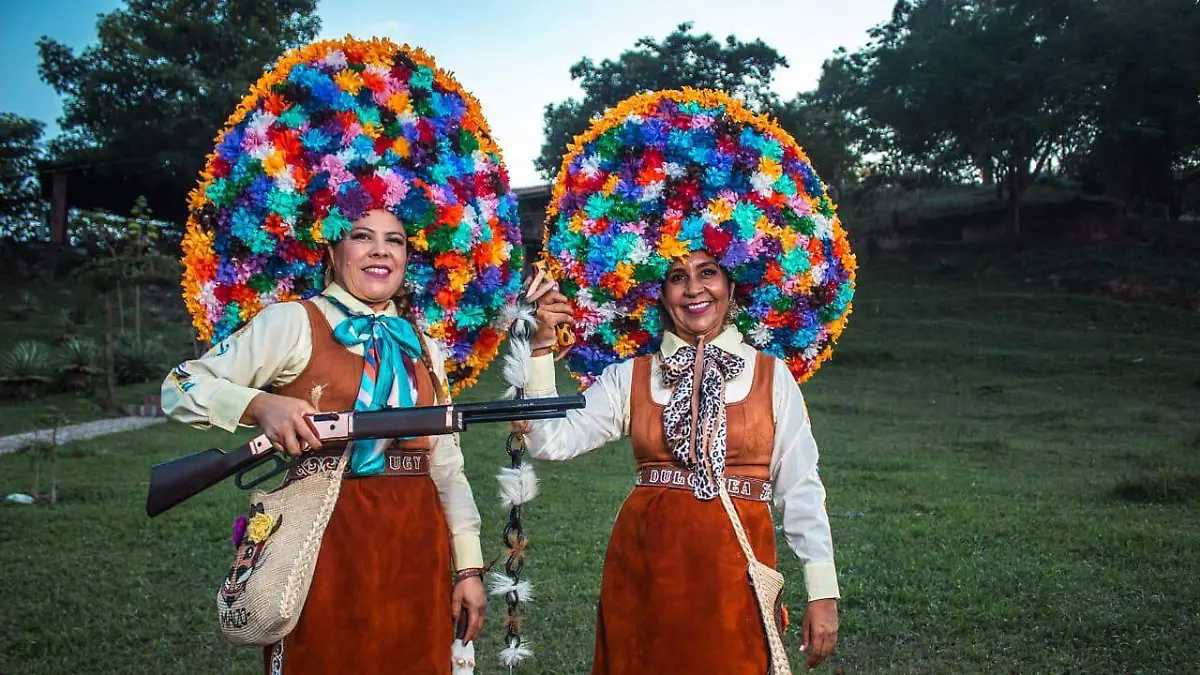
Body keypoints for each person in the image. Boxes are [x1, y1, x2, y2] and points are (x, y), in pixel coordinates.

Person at [160, 37, 524, 675]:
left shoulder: (423, 346)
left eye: (395, 240)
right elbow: (181, 386)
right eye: (361, 236)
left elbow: (447, 466)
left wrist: (467, 567)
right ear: (330, 251)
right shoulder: (292, 322)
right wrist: (262, 405)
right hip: (321, 540)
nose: (380, 251)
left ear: (410, 257)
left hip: (418, 542)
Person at [518, 89, 857, 674]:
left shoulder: (771, 376)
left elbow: (801, 486)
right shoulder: (631, 375)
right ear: (658, 290)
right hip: (643, 573)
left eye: (708, 271)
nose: (694, 288)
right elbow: (549, 441)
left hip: (738, 577)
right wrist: (541, 349)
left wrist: (821, 589)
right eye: (676, 276)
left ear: (734, 282)